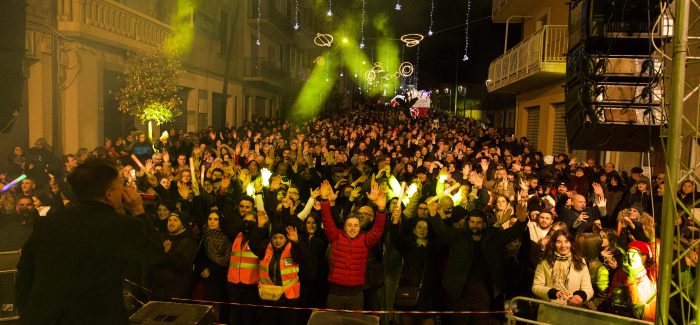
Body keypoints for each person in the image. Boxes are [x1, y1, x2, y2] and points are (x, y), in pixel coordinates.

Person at [15, 158, 165, 324]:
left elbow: (25, 271)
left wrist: (27, 311)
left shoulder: (47, 224)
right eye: (121, 185)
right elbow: (155, 254)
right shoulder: (123, 226)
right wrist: (138, 210)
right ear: (109, 194)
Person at [428, 191, 528, 325]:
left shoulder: (492, 238)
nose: (475, 225)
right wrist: (434, 214)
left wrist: (521, 221)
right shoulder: (459, 236)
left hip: (483, 296)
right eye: (472, 222)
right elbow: (442, 231)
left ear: (484, 224)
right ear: (468, 223)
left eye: (478, 223)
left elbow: (512, 234)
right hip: (459, 293)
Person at [319, 180, 387, 310]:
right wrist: (324, 199)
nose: (352, 228)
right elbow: (327, 219)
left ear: (359, 227)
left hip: (356, 294)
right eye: (349, 225)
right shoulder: (336, 236)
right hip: (335, 293)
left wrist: (381, 209)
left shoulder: (365, 240)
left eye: (355, 225)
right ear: (344, 227)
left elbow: (378, 229)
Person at [532, 229, 594, 322]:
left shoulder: (580, 262)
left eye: (566, 241)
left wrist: (580, 296)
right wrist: (554, 292)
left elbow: (588, 289)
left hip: (573, 312)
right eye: (558, 242)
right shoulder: (544, 263)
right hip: (550, 312)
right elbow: (536, 287)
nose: (563, 246)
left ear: (571, 243)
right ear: (553, 244)